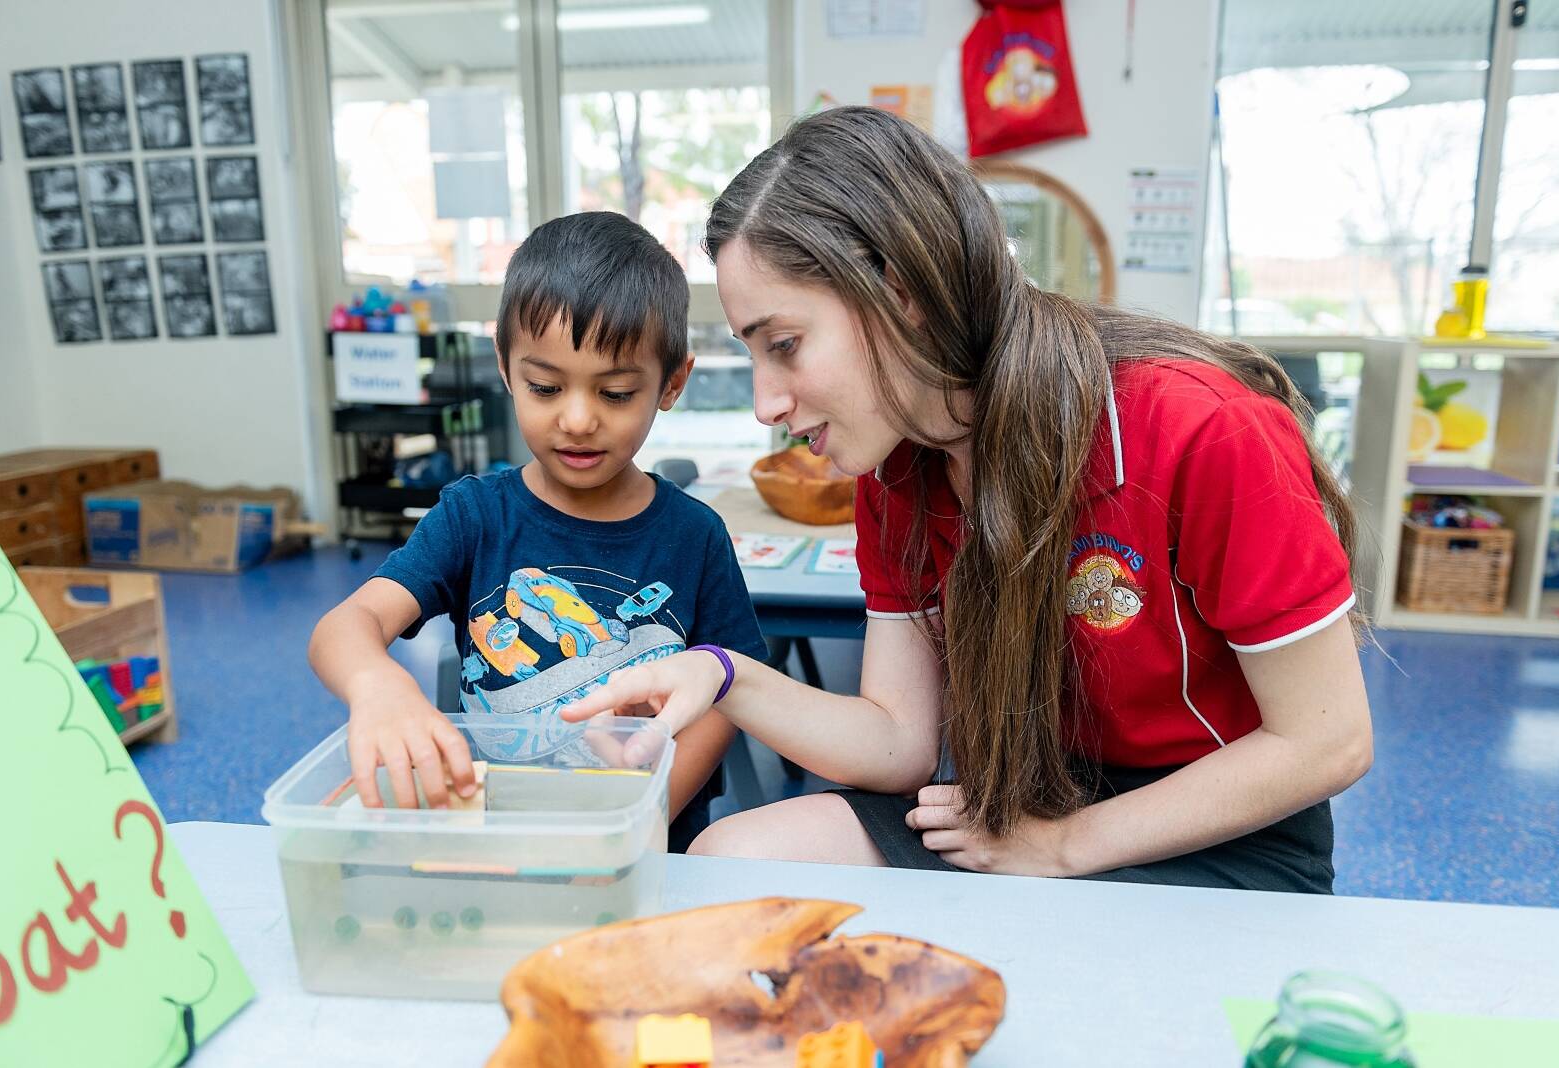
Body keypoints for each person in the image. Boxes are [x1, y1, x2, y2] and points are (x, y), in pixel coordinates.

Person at [562, 108, 1373, 892]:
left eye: (786, 345)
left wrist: (1063, 847)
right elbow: (898, 744)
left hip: (1217, 826)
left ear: (902, 292)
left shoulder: (1200, 429)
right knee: (731, 855)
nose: (766, 404)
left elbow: (1326, 741)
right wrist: (726, 673)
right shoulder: (894, 469)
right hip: (1024, 809)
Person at [310, 211, 767, 850]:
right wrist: (377, 684)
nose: (577, 420)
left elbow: (726, 696)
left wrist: (640, 818)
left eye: (614, 394)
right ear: (505, 366)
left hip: (649, 852)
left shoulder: (696, 537)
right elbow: (343, 628)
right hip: (504, 845)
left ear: (672, 384)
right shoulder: (474, 518)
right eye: (546, 387)